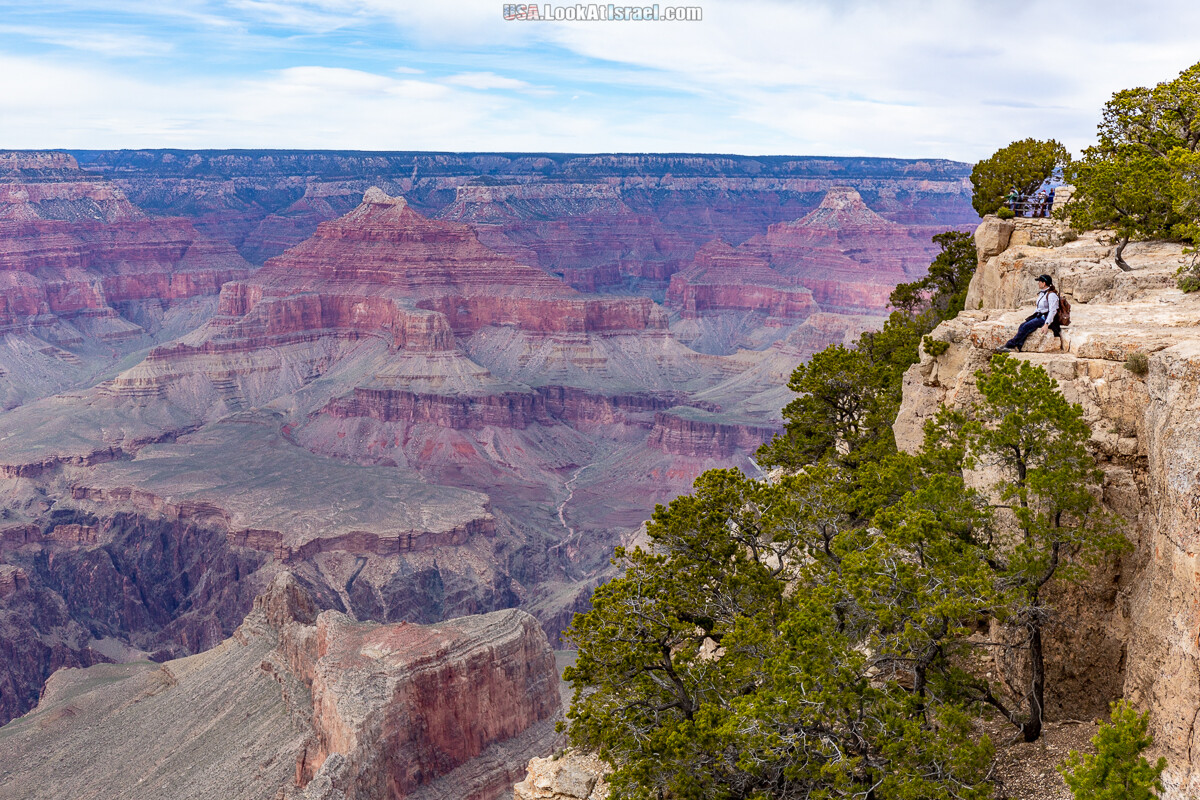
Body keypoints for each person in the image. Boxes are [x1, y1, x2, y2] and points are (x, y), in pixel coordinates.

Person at [997, 274, 1061, 352]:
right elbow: (1039, 308)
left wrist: (1046, 324)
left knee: (1026, 327)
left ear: (1044, 283)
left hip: (1045, 318)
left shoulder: (1051, 295)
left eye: (1039, 282)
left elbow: (1052, 311)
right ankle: (1018, 346)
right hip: (1040, 316)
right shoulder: (1042, 293)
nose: (1038, 283)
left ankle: (1010, 345)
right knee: (1022, 325)